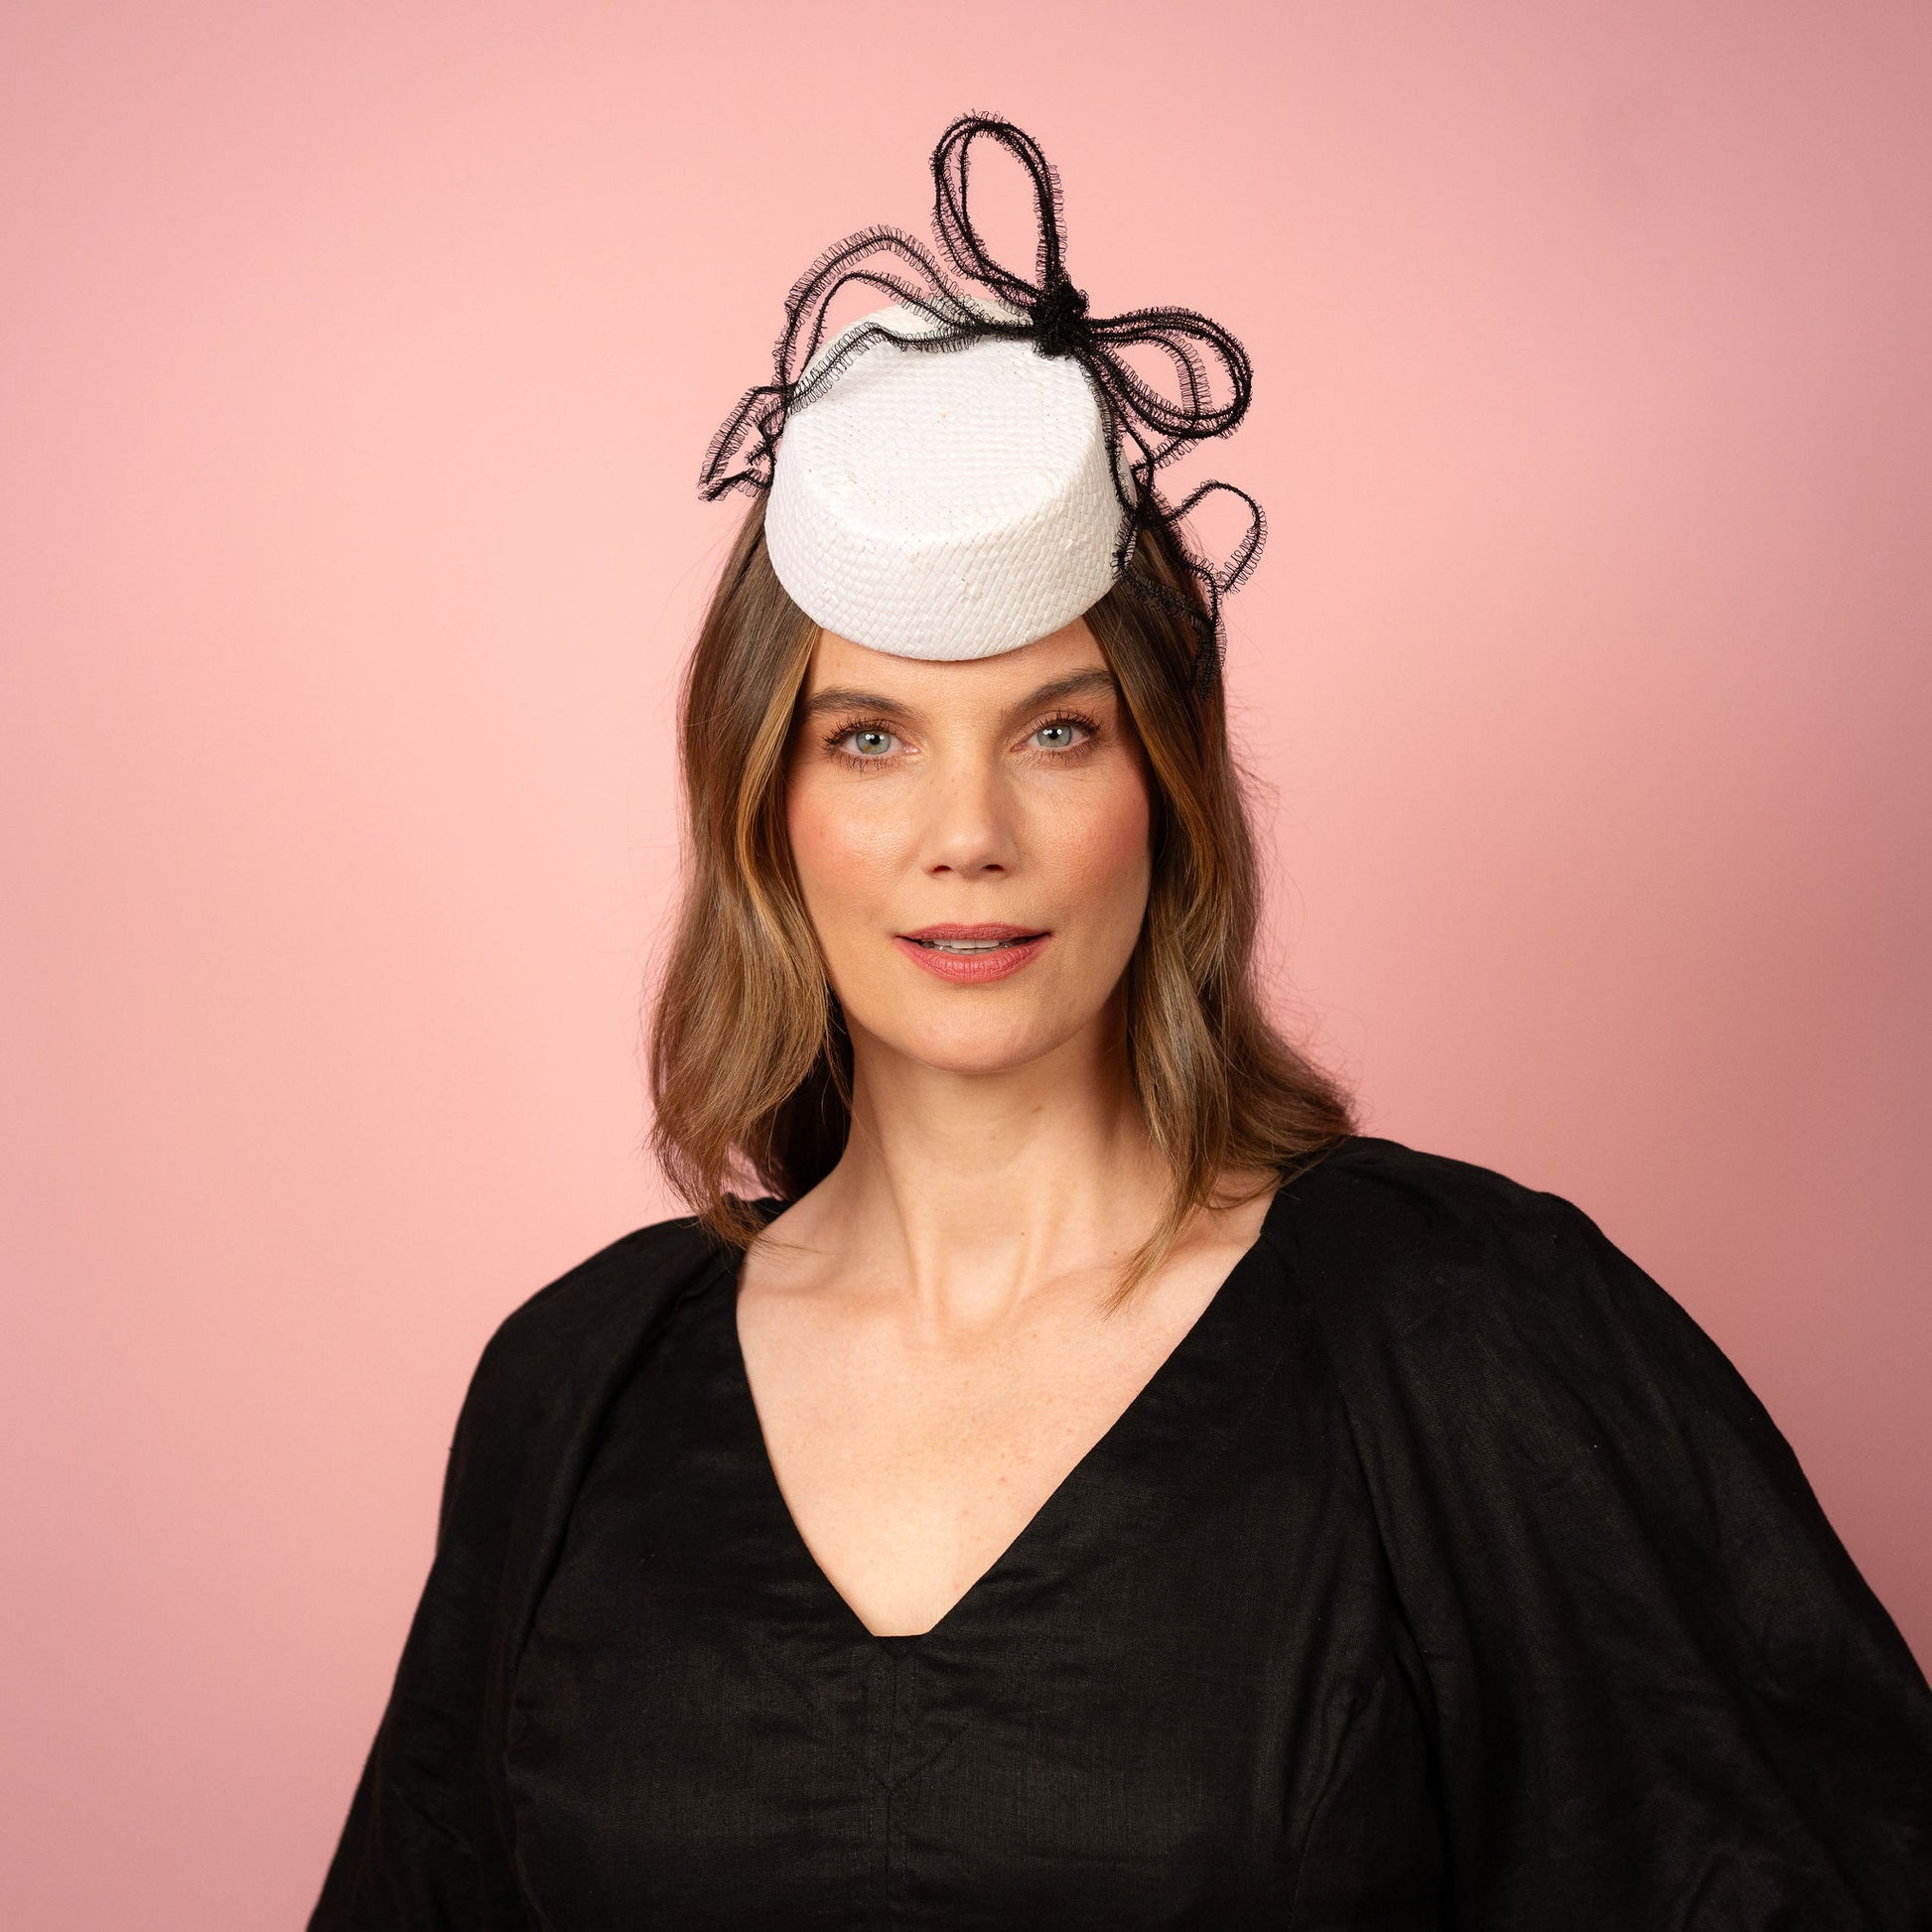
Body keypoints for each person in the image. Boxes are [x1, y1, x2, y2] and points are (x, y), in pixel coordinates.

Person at [309, 115, 1932, 1930]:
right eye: (870, 737)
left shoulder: (1461, 1335)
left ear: (1162, 790)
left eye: (1057, 731)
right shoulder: (573, 1390)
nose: (968, 832)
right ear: (764, 806)